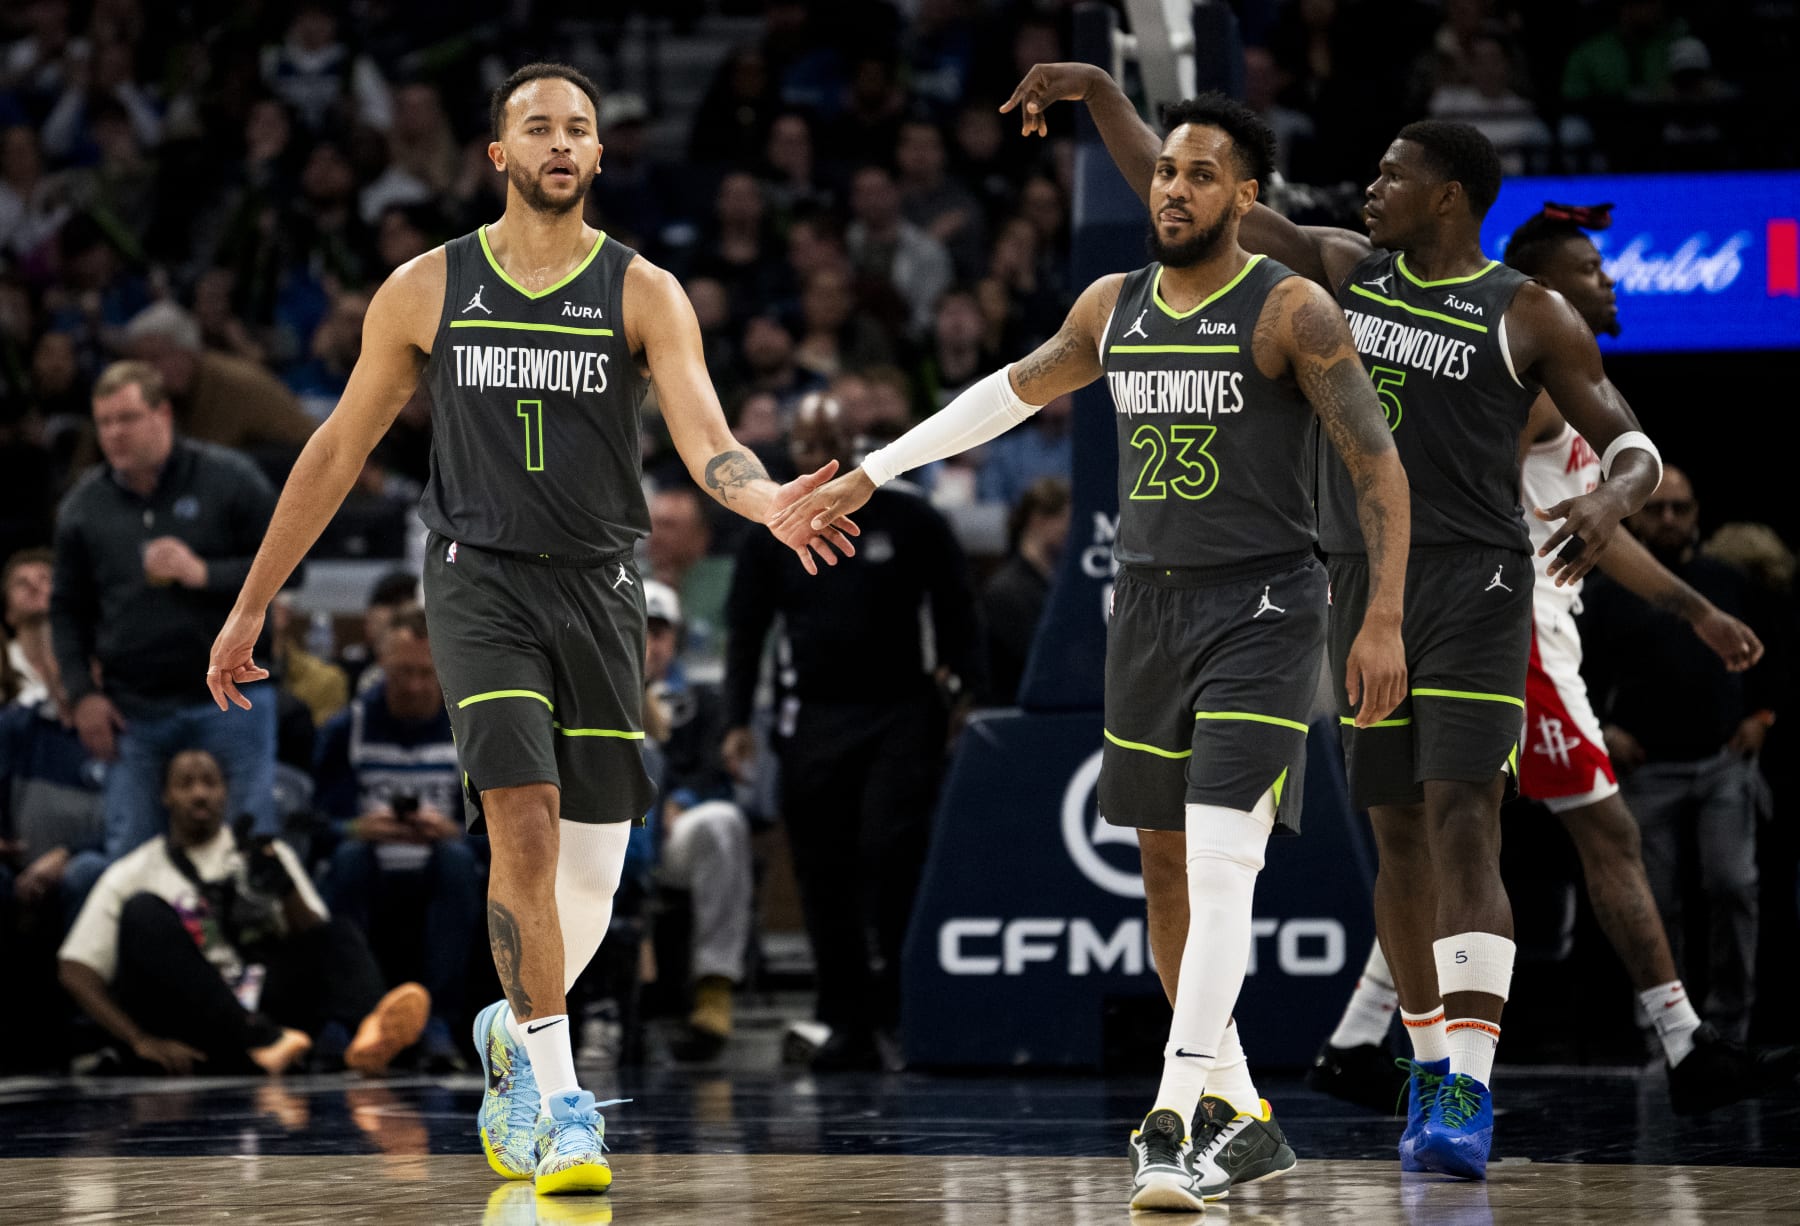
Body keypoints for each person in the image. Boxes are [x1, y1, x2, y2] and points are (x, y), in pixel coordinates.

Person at [204, 62, 855, 1198]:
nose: (562, 143)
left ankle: (513, 1026)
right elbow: (334, 451)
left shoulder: (646, 291)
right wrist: (253, 599)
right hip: (477, 579)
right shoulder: (424, 288)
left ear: (600, 158)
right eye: (538, 127)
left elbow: (709, 439)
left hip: (602, 588)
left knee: (590, 881)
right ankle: (562, 1108)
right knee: (525, 824)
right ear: (497, 155)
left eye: (581, 130)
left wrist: (762, 501)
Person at [1004, 63, 1661, 1182]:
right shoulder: (1342, 274)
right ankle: (1422, 1060)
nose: (1369, 189)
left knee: (1464, 818)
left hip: (1478, 580)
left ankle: (1468, 1081)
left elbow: (1634, 439)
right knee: (1395, 829)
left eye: (1392, 176)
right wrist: (1102, 91)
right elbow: (1187, 199)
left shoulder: (1527, 309)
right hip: (1359, 577)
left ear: (1447, 194)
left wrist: (1607, 493)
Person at [775, 93, 1411, 1211]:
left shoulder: (1290, 307)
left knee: (1223, 868)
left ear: (1245, 196)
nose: (1174, 187)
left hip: (1265, 605)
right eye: (1164, 170)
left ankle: (1168, 1120)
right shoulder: (1114, 304)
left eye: (1202, 174)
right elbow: (1005, 396)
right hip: (1148, 611)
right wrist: (878, 467)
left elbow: (1378, 468)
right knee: (1163, 871)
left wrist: (1383, 616)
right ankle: (1243, 1112)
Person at [1312, 203, 1798, 1116]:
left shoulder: (1565, 390)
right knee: (1579, 836)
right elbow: (1457, 493)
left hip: (1527, 626)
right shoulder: (1525, 377)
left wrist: (1693, 607)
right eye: (1590, 269)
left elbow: (1601, 526)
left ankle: (1353, 1043)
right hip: (1505, 631)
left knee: (1438, 850)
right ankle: (1684, 1046)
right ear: (1544, 288)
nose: (1606, 282)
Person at [725, 392, 980, 1073]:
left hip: (902, 710)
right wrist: (734, 722)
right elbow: (745, 633)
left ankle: (897, 1012)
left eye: (831, 443)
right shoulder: (769, 535)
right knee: (820, 869)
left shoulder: (913, 519)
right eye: (806, 447)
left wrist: (965, 691)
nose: (818, 459)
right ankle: (844, 1019)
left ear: (855, 444)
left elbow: (957, 607)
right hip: (810, 715)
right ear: (791, 454)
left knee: (891, 852)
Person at [58, 748, 430, 1078]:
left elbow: (318, 936)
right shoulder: (133, 870)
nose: (199, 792)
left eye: (209, 782)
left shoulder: (264, 852)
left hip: (268, 1009)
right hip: (195, 1024)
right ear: (166, 796)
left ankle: (372, 1032)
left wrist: (284, 889)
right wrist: (139, 1040)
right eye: (185, 784)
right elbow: (75, 969)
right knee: (142, 910)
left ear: (225, 793)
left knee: (339, 931)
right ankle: (262, 1039)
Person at [1581, 465, 1780, 1046]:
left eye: (1681, 509)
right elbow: (1573, 670)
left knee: (1732, 885)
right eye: (1657, 508)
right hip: (1647, 768)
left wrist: (1762, 717)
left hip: (1720, 762)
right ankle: (1669, 1033)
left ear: (1698, 514)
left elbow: (1776, 655)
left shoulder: (1728, 581)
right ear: (1635, 516)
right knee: (1651, 902)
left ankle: (1731, 1023)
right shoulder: (1605, 591)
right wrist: (1603, 728)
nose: (1669, 519)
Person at [51, 361, 281, 860]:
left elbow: (292, 571)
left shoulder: (229, 478)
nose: (114, 433)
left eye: (127, 418)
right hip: (134, 708)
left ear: (163, 414)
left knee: (247, 851)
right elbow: (65, 611)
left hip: (233, 699)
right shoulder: (83, 507)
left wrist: (205, 573)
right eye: (105, 421)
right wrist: (81, 693)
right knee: (131, 857)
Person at [314, 606, 479, 1072]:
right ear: (381, 666)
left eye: (427, 673)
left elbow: (499, 832)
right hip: (371, 864)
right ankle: (347, 1019)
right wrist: (357, 827)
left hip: (440, 867)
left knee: (456, 860)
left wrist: (455, 829)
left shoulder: (469, 730)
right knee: (347, 858)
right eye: (403, 672)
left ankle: (438, 1024)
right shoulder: (348, 730)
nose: (414, 685)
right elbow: (317, 826)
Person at [640, 578, 753, 1061]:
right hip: (607, 831)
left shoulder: (704, 701)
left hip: (672, 834)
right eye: (636, 630)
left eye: (658, 632)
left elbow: (714, 767)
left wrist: (676, 800)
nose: (647, 644)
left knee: (722, 822)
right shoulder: (582, 691)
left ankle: (714, 985)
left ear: (676, 638)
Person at [979, 476, 1069, 705]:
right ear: (1039, 519)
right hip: (1017, 711)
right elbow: (1045, 660)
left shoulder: (1054, 583)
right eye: (1067, 519)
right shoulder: (1005, 590)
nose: (1072, 530)